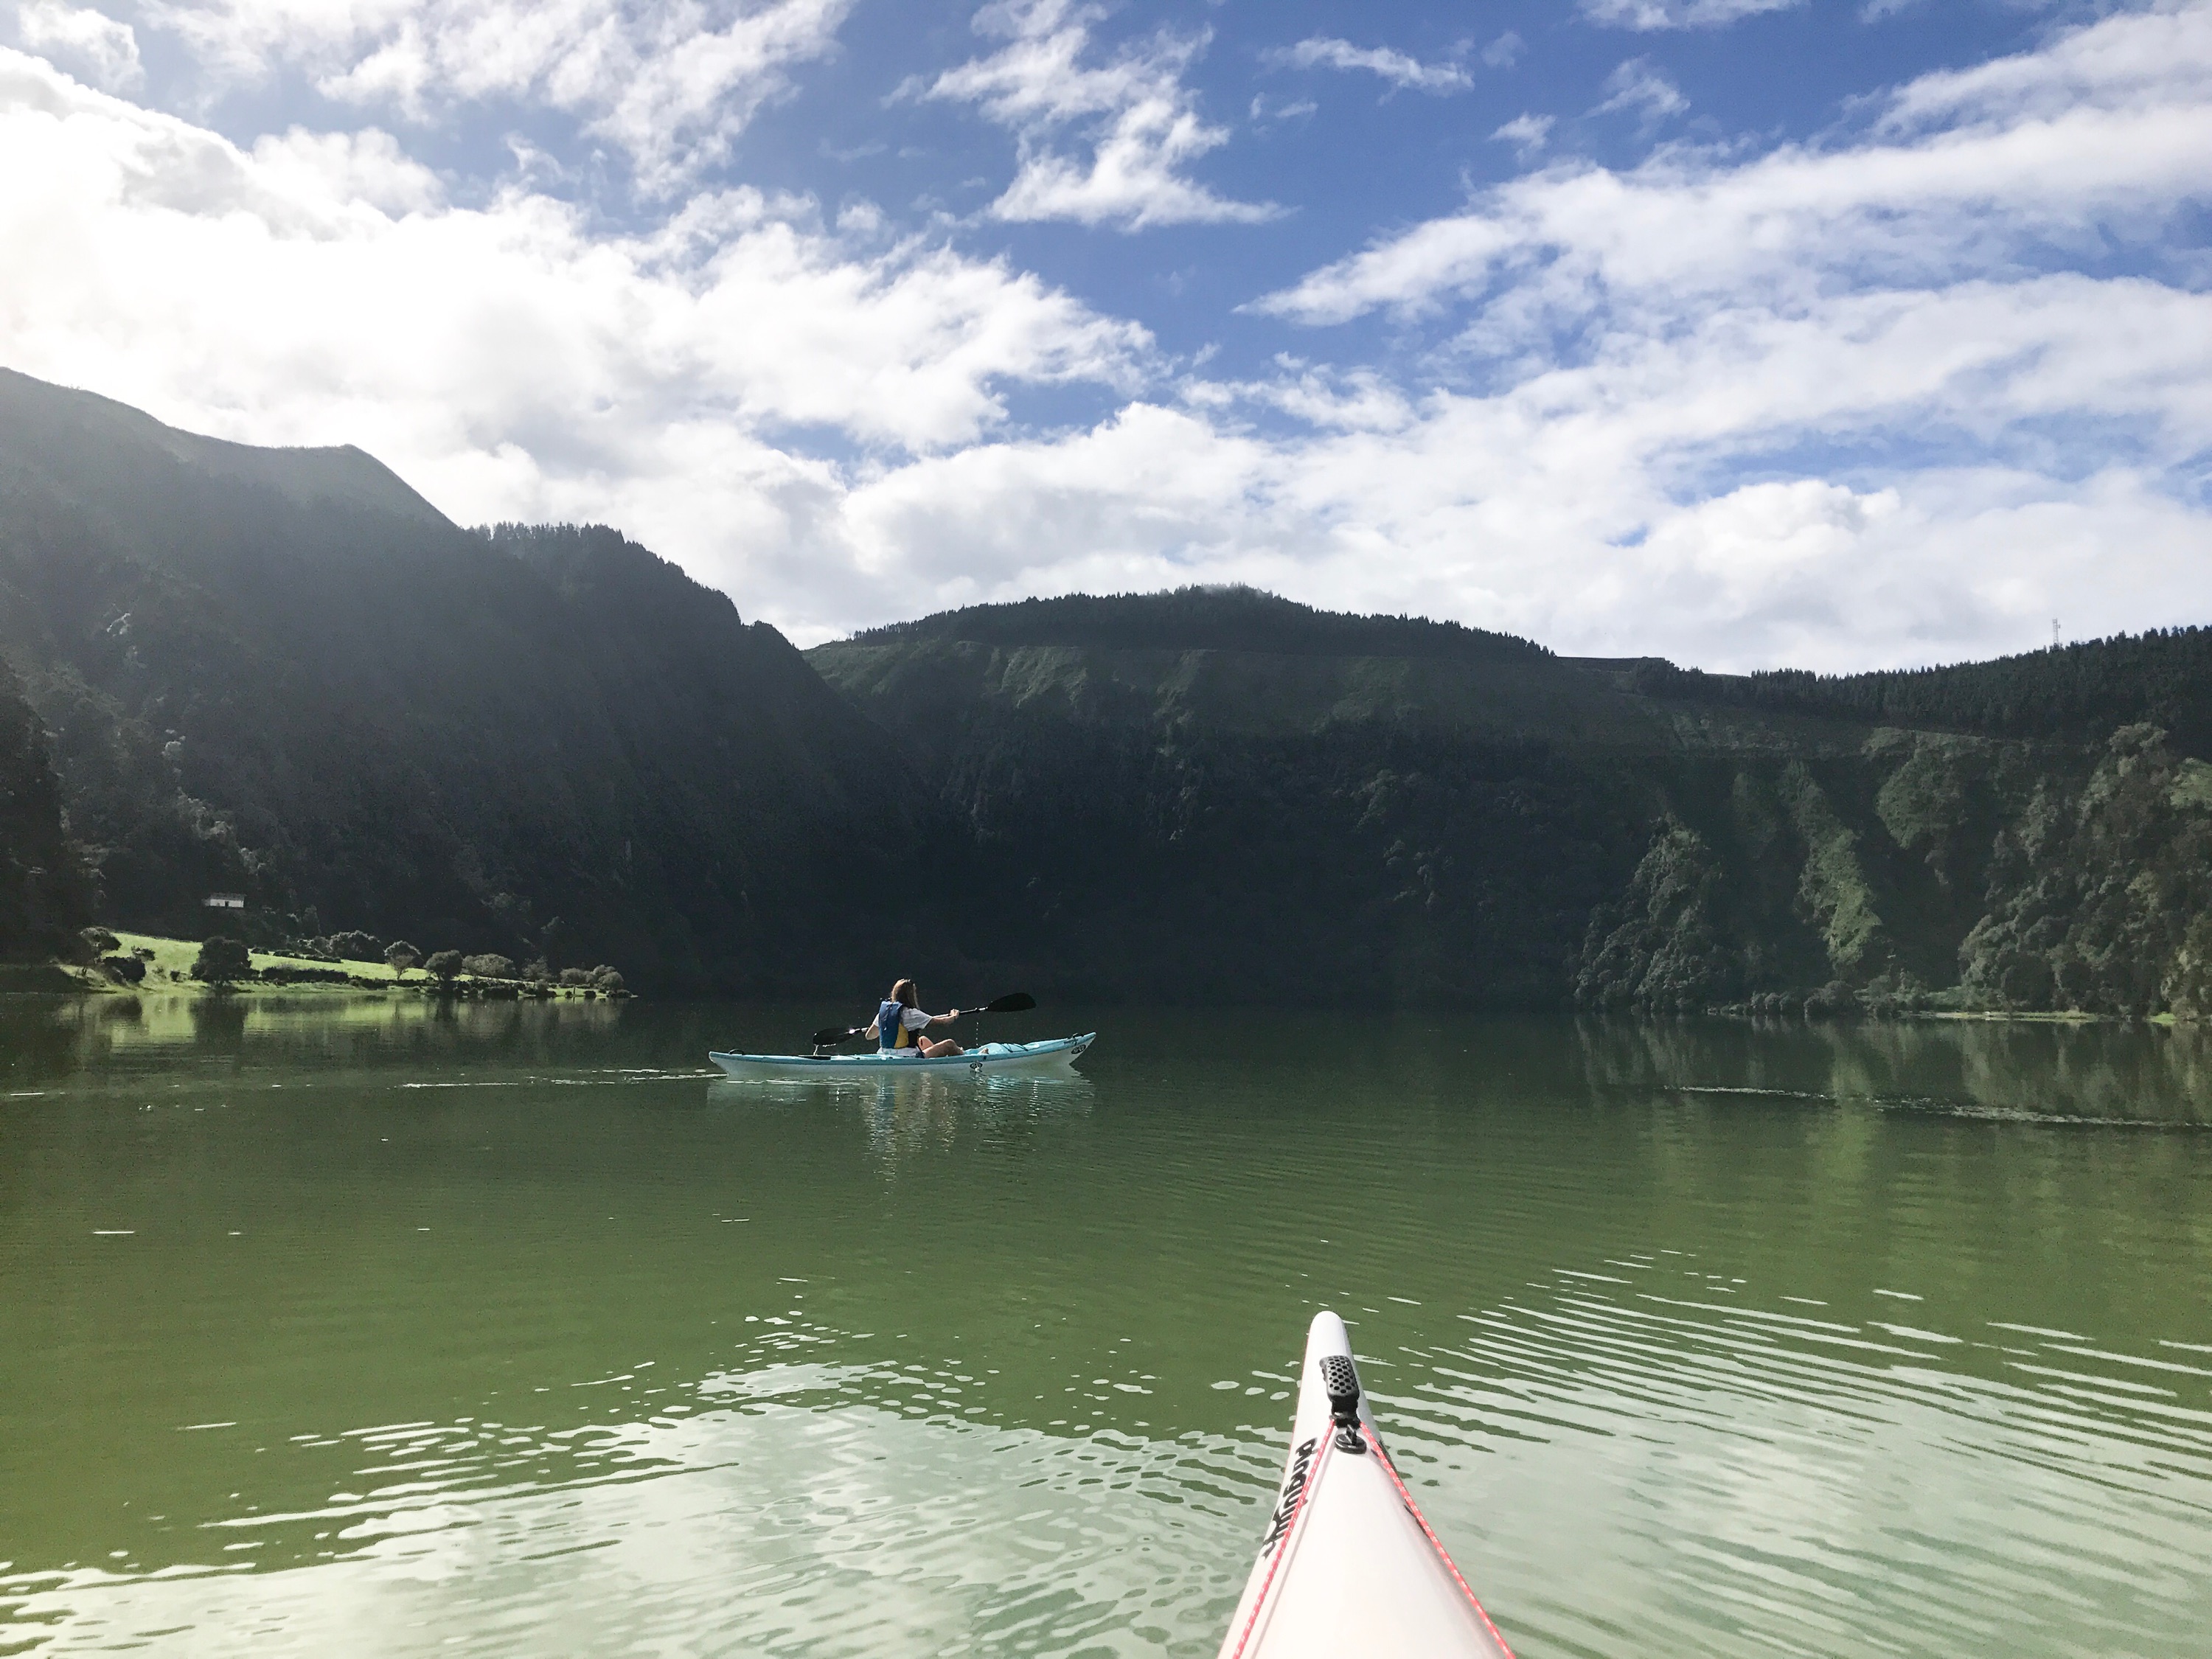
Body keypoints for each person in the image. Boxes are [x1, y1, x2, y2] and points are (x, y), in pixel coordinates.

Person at [865, 978, 964, 1057]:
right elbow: (945, 1022)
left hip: (884, 1054)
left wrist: (883, 1027)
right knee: (949, 1044)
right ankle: (965, 1057)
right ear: (911, 995)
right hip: (909, 1057)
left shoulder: (883, 1015)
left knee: (923, 1040)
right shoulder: (913, 1014)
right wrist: (954, 1015)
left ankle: (935, 1064)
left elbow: (869, 1036)